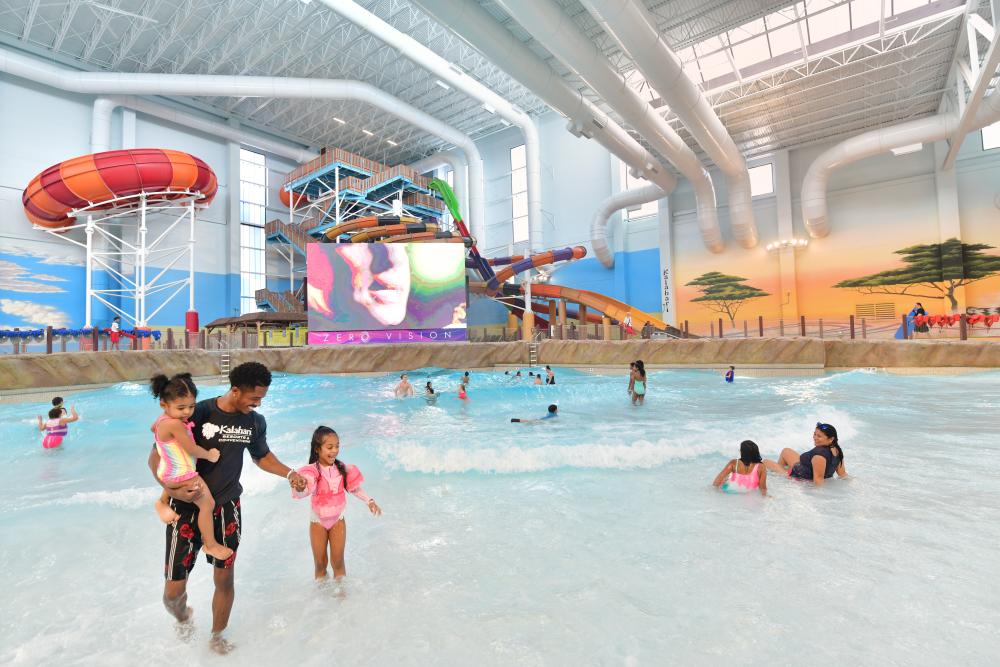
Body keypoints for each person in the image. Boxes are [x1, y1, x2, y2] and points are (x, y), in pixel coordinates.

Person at [148, 362, 306, 654]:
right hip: (184, 507)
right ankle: (184, 618)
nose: (257, 404)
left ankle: (217, 635)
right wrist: (170, 490)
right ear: (235, 390)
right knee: (172, 593)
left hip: (226, 508)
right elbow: (157, 458)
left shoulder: (254, 422)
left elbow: (263, 457)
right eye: (254, 398)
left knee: (224, 577)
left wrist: (290, 474)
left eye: (261, 399)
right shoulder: (198, 412)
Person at [149, 373, 232, 562]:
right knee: (207, 504)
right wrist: (210, 455)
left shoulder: (162, 420)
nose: (187, 412)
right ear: (164, 404)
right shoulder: (174, 424)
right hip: (182, 474)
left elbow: (153, 428)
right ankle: (210, 545)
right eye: (181, 407)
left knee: (186, 485)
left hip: (167, 470)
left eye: (192, 406)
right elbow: (192, 449)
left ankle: (162, 502)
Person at [291, 426, 381, 580]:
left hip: (338, 520)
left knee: (338, 562)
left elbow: (354, 489)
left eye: (337, 446)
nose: (334, 451)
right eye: (330, 447)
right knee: (320, 563)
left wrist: (369, 501)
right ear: (317, 449)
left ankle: (341, 598)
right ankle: (321, 598)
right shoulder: (311, 471)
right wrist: (300, 487)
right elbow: (306, 488)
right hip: (317, 521)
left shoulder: (342, 469)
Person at [764, 422, 847, 486]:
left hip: (798, 477)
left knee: (765, 462)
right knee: (786, 451)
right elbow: (842, 474)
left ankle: (784, 478)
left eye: (819, 436)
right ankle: (780, 475)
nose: (815, 437)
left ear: (831, 439)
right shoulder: (837, 450)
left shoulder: (820, 455)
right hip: (802, 468)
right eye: (814, 434)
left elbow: (818, 480)